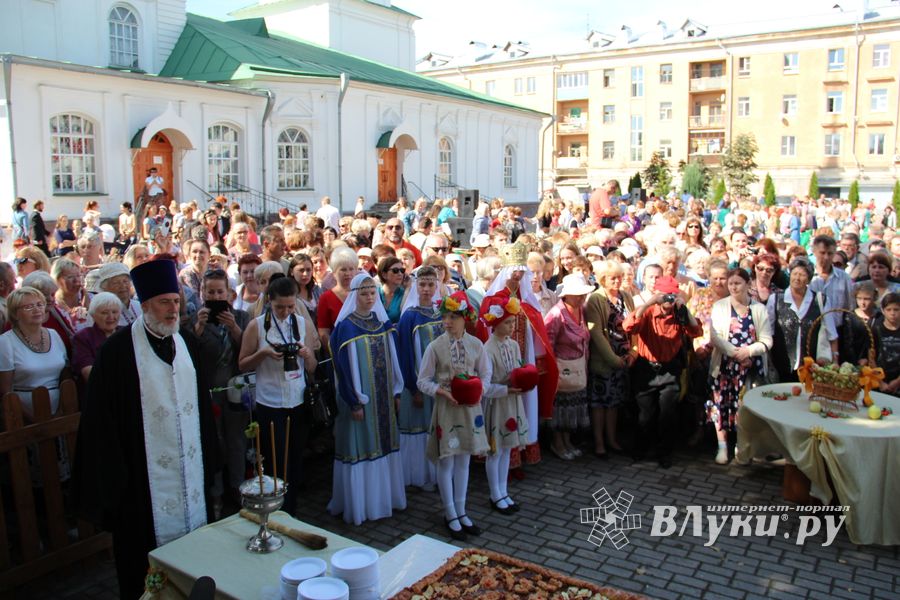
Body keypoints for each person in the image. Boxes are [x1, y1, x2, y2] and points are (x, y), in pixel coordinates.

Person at [73, 258, 219, 599]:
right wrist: (117, 482)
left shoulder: (185, 342)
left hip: (190, 478)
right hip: (141, 485)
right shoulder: (116, 354)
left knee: (196, 569)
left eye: (177, 301)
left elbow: (200, 405)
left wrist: (210, 460)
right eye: (164, 303)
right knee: (144, 575)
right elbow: (101, 425)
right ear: (145, 305)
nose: (173, 309)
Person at [328, 273, 406, 525]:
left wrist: (397, 390)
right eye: (363, 293)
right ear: (354, 296)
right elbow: (344, 368)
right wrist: (354, 400)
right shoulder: (347, 327)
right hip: (361, 402)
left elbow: (394, 359)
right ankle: (362, 506)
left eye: (372, 293)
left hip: (382, 399)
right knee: (362, 446)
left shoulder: (381, 323)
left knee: (383, 444)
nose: (369, 297)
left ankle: (385, 500)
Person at [477, 241, 558, 473]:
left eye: (521, 274)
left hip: (522, 359)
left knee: (523, 404)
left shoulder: (527, 302)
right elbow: (485, 328)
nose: (518, 278)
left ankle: (519, 454)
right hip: (499, 364)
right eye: (514, 273)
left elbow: (537, 330)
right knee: (500, 406)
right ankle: (498, 458)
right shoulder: (493, 301)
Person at [417, 291, 489, 540]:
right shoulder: (435, 346)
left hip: (469, 408)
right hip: (447, 408)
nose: (446, 322)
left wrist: (479, 391)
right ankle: (449, 513)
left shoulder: (476, 345)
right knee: (446, 459)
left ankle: (461, 510)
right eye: (444, 317)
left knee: (464, 460)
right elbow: (422, 380)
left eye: (452, 317)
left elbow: (486, 374)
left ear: (465, 318)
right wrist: (441, 391)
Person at [623, 275, 703, 469]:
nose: (668, 301)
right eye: (665, 296)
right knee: (645, 414)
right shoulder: (649, 311)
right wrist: (649, 302)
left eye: (672, 296)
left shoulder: (679, 312)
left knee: (668, 414)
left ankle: (665, 452)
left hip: (670, 370)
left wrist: (683, 307)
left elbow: (696, 331)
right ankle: (642, 449)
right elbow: (628, 326)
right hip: (646, 369)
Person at [708, 268, 773, 464]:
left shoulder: (759, 309)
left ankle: (742, 446)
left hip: (750, 368)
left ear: (747, 284)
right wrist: (736, 353)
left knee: (744, 408)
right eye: (731, 283)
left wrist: (749, 352)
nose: (734, 287)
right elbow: (715, 336)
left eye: (738, 282)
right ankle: (722, 447)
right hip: (725, 366)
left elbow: (767, 340)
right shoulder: (720, 306)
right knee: (721, 405)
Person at [396, 267, 443, 491]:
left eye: (430, 285)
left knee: (434, 427)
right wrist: (412, 388)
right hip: (416, 383)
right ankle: (419, 474)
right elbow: (404, 354)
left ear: (437, 286)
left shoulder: (441, 312)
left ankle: (437, 473)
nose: (426, 289)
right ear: (416, 286)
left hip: (438, 384)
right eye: (422, 285)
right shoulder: (410, 317)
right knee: (418, 427)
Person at [481, 295, 529, 515]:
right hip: (497, 404)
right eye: (508, 322)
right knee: (496, 450)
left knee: (508, 447)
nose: (512, 326)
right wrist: (505, 389)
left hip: (511, 402)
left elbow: (516, 371)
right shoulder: (487, 350)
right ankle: (494, 493)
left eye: (513, 322)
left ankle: (503, 491)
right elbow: (485, 385)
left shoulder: (513, 346)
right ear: (496, 323)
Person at [585, 260, 634, 459]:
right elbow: (596, 333)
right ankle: (599, 443)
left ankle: (612, 439)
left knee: (614, 403)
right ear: (603, 279)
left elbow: (634, 325)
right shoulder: (596, 299)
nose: (617, 281)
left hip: (624, 357)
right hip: (604, 360)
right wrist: (613, 359)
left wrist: (634, 353)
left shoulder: (626, 296)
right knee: (600, 404)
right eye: (612, 278)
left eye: (619, 277)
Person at [543, 274, 593, 460]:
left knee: (573, 407)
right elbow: (548, 344)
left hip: (579, 366)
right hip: (562, 369)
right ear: (567, 295)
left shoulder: (582, 311)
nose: (581, 298)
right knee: (561, 409)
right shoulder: (556, 314)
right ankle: (558, 443)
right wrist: (553, 371)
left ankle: (567, 440)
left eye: (582, 294)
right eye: (577, 294)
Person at [0, 286, 69, 420]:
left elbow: (65, 375)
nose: (37, 310)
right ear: (15, 313)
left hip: (61, 411)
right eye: (28, 307)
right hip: (22, 415)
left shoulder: (54, 335)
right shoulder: (5, 342)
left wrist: (62, 409)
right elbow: (5, 390)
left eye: (39, 304)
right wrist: (28, 417)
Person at [767, 258, 837, 381]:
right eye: (794, 274)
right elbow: (768, 331)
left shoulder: (820, 300)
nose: (797, 278)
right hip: (781, 365)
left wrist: (835, 359)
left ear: (809, 279)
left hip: (812, 366)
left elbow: (831, 333)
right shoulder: (776, 299)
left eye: (802, 275)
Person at [71, 291, 121, 382]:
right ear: (93, 315)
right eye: (104, 313)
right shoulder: (83, 337)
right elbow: (89, 373)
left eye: (115, 312)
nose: (111, 317)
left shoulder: (128, 333)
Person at [316, 246, 358, 353]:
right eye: (343, 269)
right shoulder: (326, 298)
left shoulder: (363, 294)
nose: (348, 273)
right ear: (334, 272)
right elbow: (323, 331)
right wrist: (334, 352)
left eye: (351, 269)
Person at [97, 262, 143, 327]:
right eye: (116, 283)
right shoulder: (103, 312)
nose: (123, 286)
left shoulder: (140, 306)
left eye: (125, 281)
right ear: (105, 287)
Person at [875, 293, 900, 396]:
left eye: (896, 309)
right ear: (882, 310)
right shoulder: (876, 328)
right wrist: (880, 382)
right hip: (879, 379)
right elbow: (871, 358)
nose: (892, 313)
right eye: (889, 310)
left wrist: (897, 382)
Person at [290, 253, 323, 325]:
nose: (305, 274)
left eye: (308, 270)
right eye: (301, 270)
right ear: (291, 272)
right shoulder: (289, 294)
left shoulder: (317, 290)